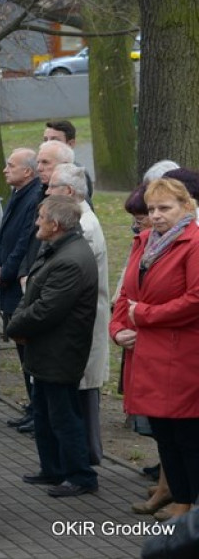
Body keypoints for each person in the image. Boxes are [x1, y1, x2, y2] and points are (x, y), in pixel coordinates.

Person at [112, 178, 199, 523]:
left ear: (186, 207)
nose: (157, 215)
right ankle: (179, 497)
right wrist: (118, 329)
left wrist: (145, 315)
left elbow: (196, 299)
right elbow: (126, 293)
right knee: (163, 432)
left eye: (165, 208)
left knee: (185, 433)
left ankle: (188, 502)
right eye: (152, 209)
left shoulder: (193, 243)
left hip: (181, 354)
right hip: (148, 353)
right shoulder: (145, 241)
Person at [7, 195, 99, 498]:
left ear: (55, 224)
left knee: (63, 416)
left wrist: (14, 326)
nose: (36, 222)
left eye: (41, 217)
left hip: (60, 351)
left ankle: (80, 475)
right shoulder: (58, 249)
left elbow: (47, 309)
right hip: (47, 350)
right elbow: (32, 294)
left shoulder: (70, 259)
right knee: (45, 413)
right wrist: (19, 320)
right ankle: (53, 468)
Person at [47, 163, 110, 465]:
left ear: (69, 191)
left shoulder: (84, 226)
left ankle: (85, 458)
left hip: (80, 324)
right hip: (74, 324)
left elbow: (70, 277)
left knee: (82, 399)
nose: (46, 191)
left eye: (52, 187)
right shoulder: (78, 220)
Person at [0, 148, 45, 433]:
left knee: (28, 352)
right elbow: (2, 235)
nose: (5, 170)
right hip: (6, 279)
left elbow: (25, 241)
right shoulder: (16, 193)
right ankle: (32, 406)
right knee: (22, 352)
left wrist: (6, 271)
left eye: (11, 166)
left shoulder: (34, 196)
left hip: (16, 282)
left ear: (27, 171)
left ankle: (38, 410)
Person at [43, 120, 93, 199]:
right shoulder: (40, 171)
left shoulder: (76, 174)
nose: (47, 144)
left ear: (70, 144)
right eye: (45, 140)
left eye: (54, 140)